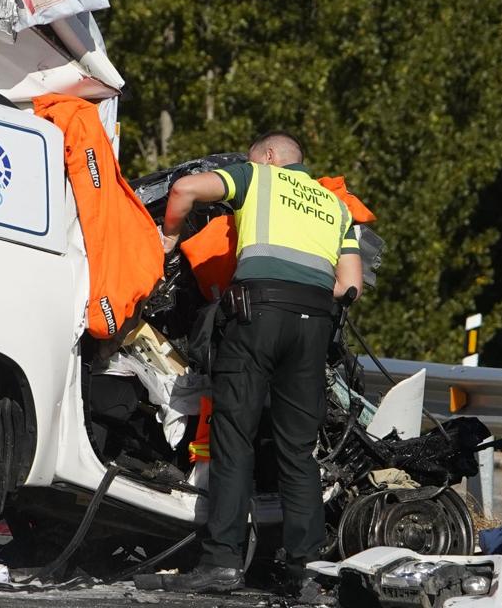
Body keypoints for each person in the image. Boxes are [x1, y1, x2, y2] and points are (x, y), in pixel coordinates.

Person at [139, 131, 362, 597]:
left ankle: (221, 562)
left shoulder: (257, 177)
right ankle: (306, 573)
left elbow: (183, 190)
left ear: (268, 155)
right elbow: (349, 285)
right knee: (297, 451)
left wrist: (170, 236)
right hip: (313, 325)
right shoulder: (336, 206)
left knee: (234, 437)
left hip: (256, 315)